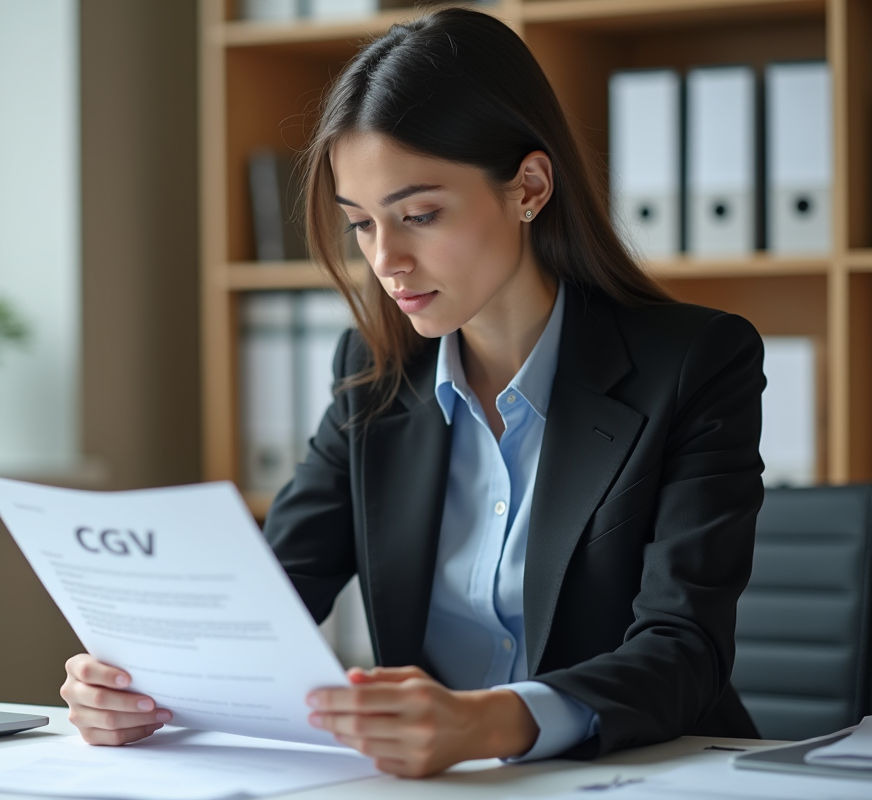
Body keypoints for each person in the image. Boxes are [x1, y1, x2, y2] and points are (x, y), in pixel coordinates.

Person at [60, 7, 765, 778]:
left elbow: (683, 649)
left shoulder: (696, 361)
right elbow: (269, 602)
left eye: (419, 215)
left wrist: (490, 720)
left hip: (651, 774)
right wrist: (139, 685)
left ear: (528, 187)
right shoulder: (372, 374)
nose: (385, 260)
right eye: (360, 224)